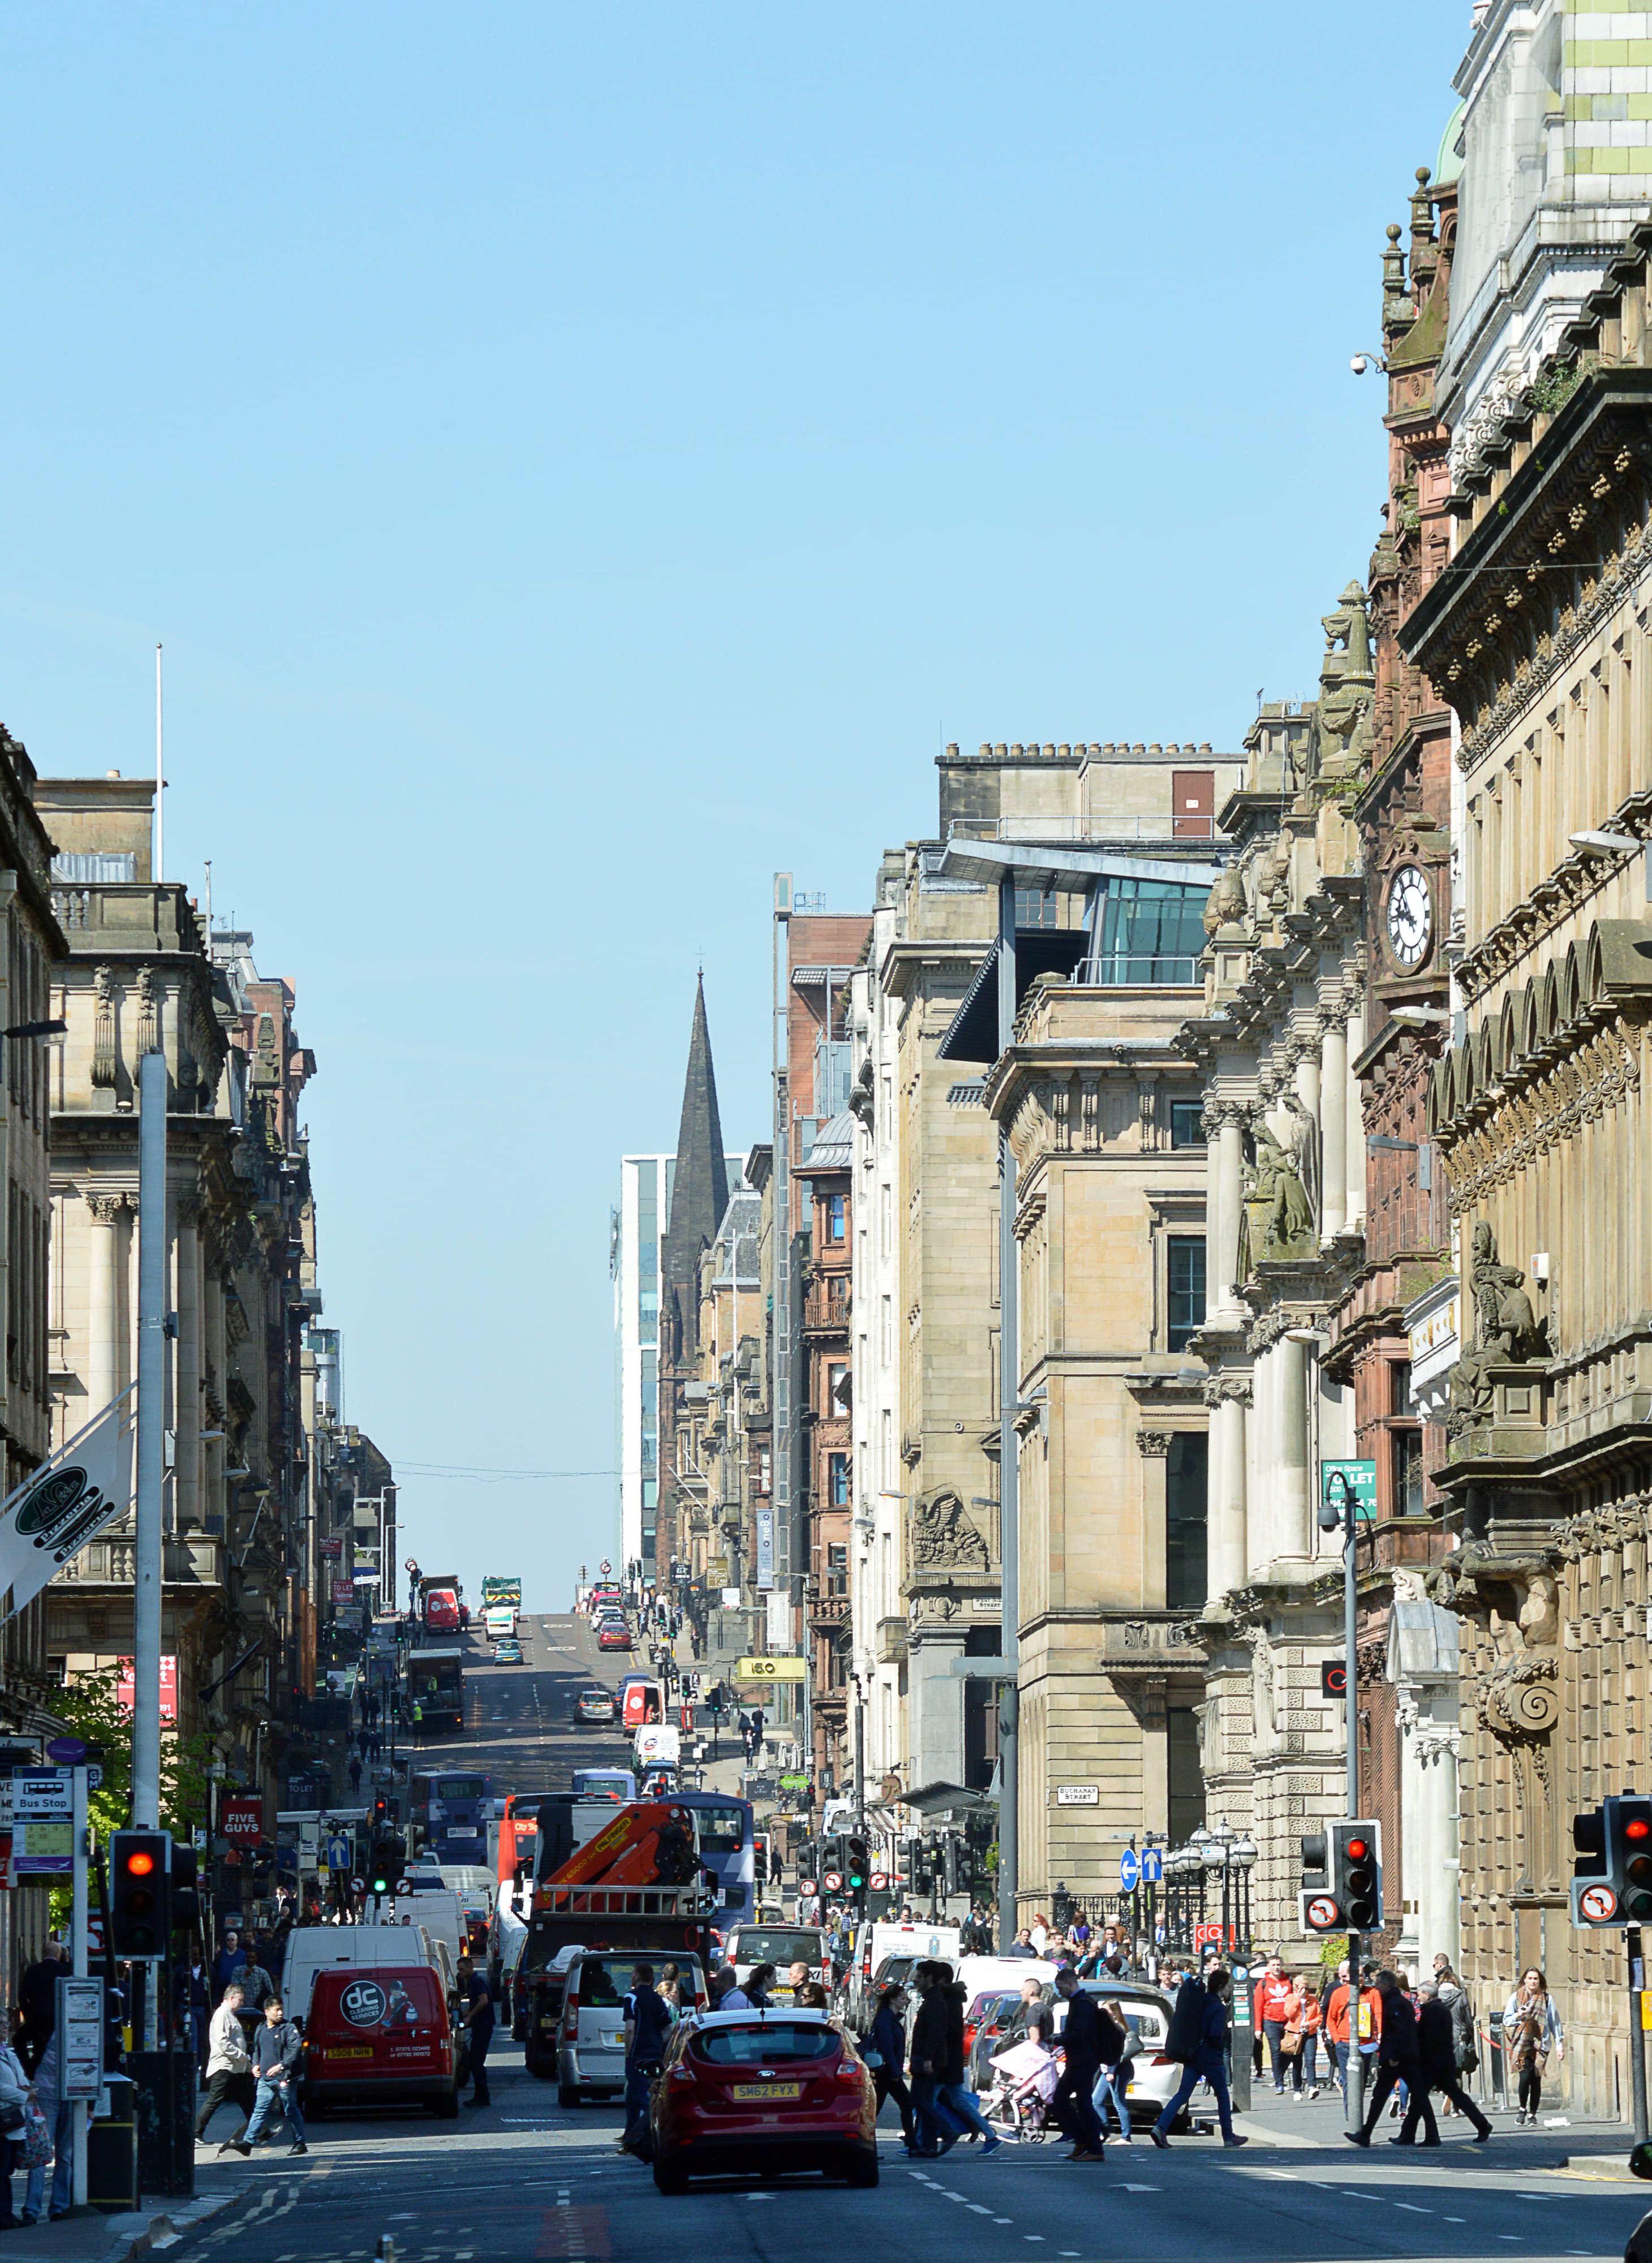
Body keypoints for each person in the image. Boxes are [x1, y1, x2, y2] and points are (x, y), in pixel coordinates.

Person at [1151, 1968, 1246, 2149]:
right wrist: (1220, 2046)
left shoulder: (1199, 2002)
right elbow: (1215, 2034)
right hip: (1210, 2058)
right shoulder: (1218, 2007)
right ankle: (1228, 2136)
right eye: (1228, 1987)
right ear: (1221, 1987)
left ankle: (1161, 2127)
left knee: (1182, 2094)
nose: (1230, 1990)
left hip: (1193, 2055)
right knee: (1223, 2095)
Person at [1345, 1971, 1432, 2146]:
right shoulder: (1397, 2001)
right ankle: (1428, 2135)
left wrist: (1394, 2056)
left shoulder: (1395, 2003)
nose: (1376, 1987)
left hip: (1398, 2058)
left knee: (1382, 2097)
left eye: (1378, 1984)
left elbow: (1399, 2031)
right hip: (1405, 2056)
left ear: (1386, 1985)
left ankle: (1366, 2135)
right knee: (1416, 2096)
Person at [1406, 1984, 1491, 2144]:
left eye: (1420, 1994)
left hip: (1435, 2062)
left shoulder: (1434, 2011)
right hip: (1441, 2060)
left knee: (1422, 2097)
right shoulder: (1437, 2009)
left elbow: (1430, 2039)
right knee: (1426, 2097)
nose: (1418, 1997)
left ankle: (1418, 2135)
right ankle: (1409, 2134)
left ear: (1427, 1994)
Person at [235, 1997, 307, 2158]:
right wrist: (255, 2065)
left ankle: (300, 2143)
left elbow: (295, 2049)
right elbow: (257, 2050)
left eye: (281, 2009)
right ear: (267, 2012)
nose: (280, 2013)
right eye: (277, 2010)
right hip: (265, 2079)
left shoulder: (288, 2028)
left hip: (284, 2079)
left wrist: (281, 2066)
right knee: (259, 2110)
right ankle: (248, 2143)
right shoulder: (261, 2028)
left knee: (290, 2109)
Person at [908, 1963, 967, 2156]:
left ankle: (947, 2129)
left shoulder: (935, 2001)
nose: (916, 1980)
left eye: (920, 1976)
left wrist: (927, 2059)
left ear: (930, 1978)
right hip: (926, 2058)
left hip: (928, 2060)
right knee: (925, 2101)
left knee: (919, 2100)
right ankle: (929, 2145)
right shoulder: (931, 1999)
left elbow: (936, 2033)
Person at [1048, 1968, 1108, 2161]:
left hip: (1083, 2061)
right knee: (1065, 2100)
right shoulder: (1082, 2001)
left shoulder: (1082, 2004)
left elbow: (1079, 2034)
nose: (1060, 1993)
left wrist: (1057, 2039)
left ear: (1069, 1983)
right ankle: (1084, 2140)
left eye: (1061, 1988)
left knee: (1081, 2103)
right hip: (1079, 2060)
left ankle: (1094, 2148)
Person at [938, 1974, 1001, 2154]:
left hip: (947, 2062)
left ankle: (923, 2139)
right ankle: (986, 2133)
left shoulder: (947, 2002)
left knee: (926, 2101)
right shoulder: (952, 2001)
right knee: (956, 2101)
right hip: (950, 2062)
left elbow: (948, 2036)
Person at [195, 1985, 257, 2150]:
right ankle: (196, 2133)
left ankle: (261, 2130)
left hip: (235, 2067)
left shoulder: (229, 2015)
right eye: (240, 2000)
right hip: (224, 2066)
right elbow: (222, 2041)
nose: (242, 2003)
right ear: (231, 1998)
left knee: (247, 2100)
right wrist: (241, 2055)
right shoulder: (222, 2014)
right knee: (214, 2100)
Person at [620, 1962, 672, 2155]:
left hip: (637, 2054)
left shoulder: (631, 1997)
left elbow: (630, 2029)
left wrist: (628, 2053)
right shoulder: (658, 1999)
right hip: (655, 2054)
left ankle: (639, 2139)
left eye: (633, 1973)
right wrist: (657, 2042)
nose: (631, 1976)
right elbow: (669, 2028)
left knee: (639, 2097)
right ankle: (630, 2137)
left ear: (637, 1976)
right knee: (638, 2097)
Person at [23, 2025, 71, 2223]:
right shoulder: (46, 2021)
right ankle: (33, 2209)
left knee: (65, 2155)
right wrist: (30, 2070)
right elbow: (20, 2038)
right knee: (41, 2152)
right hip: (46, 2091)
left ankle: (59, 2207)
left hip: (73, 2093)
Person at [1504, 1968, 1561, 2124]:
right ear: (1524, 1980)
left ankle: (1532, 2114)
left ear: (1539, 1981)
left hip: (1541, 2045)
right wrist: (1518, 2015)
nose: (1533, 1981)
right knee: (1525, 2077)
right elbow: (1506, 2020)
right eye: (1530, 1978)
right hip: (1521, 2045)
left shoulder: (1547, 1999)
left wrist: (1559, 2046)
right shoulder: (1516, 1997)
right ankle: (1522, 2108)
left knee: (1536, 2079)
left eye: (1535, 1979)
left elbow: (1555, 2023)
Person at [867, 1982, 917, 2152]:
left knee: (898, 2105)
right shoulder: (886, 2018)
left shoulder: (890, 2017)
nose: (906, 2001)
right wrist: (895, 2072)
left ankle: (910, 2143)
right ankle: (910, 2143)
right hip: (886, 2071)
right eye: (902, 1998)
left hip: (887, 2070)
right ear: (893, 2000)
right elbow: (887, 2046)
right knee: (904, 2104)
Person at [1088, 1993, 1133, 2141]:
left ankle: (1126, 2137)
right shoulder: (1111, 2028)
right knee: (1096, 2101)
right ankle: (1104, 2131)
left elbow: (1116, 2052)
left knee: (1119, 2103)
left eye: (1106, 2010)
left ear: (1114, 2013)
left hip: (1117, 2070)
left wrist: (1111, 2071)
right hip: (1109, 2069)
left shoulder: (1118, 2028)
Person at [1257, 1955, 1302, 2097]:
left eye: (1278, 1965)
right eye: (1273, 1965)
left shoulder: (1288, 1981)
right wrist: (1258, 2028)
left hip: (1288, 2022)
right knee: (1276, 2051)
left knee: (1289, 2051)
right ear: (1268, 1967)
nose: (1276, 1967)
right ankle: (1279, 2083)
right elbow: (1258, 2007)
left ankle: (1279, 2074)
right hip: (1271, 2022)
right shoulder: (1263, 1984)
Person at [15, 1940, 61, 2078]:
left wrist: (29, 2016)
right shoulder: (65, 1971)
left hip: (36, 2020)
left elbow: (23, 1997)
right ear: (58, 1954)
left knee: (19, 2040)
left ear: (43, 1954)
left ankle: (29, 2070)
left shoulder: (32, 1971)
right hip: (57, 2021)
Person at [455, 1953, 495, 2108]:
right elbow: (474, 2004)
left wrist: (469, 2017)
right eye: (459, 1970)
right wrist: (462, 2015)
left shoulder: (477, 1981)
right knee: (475, 2062)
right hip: (480, 2025)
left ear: (470, 1968)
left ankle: (483, 2096)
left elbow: (483, 2001)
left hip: (483, 2025)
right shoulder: (472, 1982)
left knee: (476, 2062)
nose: (460, 1973)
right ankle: (481, 2096)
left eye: (462, 1969)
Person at [0, 2016, 29, 2230]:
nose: (5, 2027)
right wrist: (24, 2095)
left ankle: (7, 2213)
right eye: (1, 2023)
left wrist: (28, 2089)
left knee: (7, 2169)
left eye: (6, 2024)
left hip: (13, 2121)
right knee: (1, 2169)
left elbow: (21, 2080)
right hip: (3, 2119)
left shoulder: (8, 2052)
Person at [213, 1929, 247, 2000]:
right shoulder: (221, 1954)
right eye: (228, 1940)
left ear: (237, 1941)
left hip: (237, 1988)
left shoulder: (243, 1954)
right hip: (222, 1988)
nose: (230, 1941)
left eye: (233, 1940)